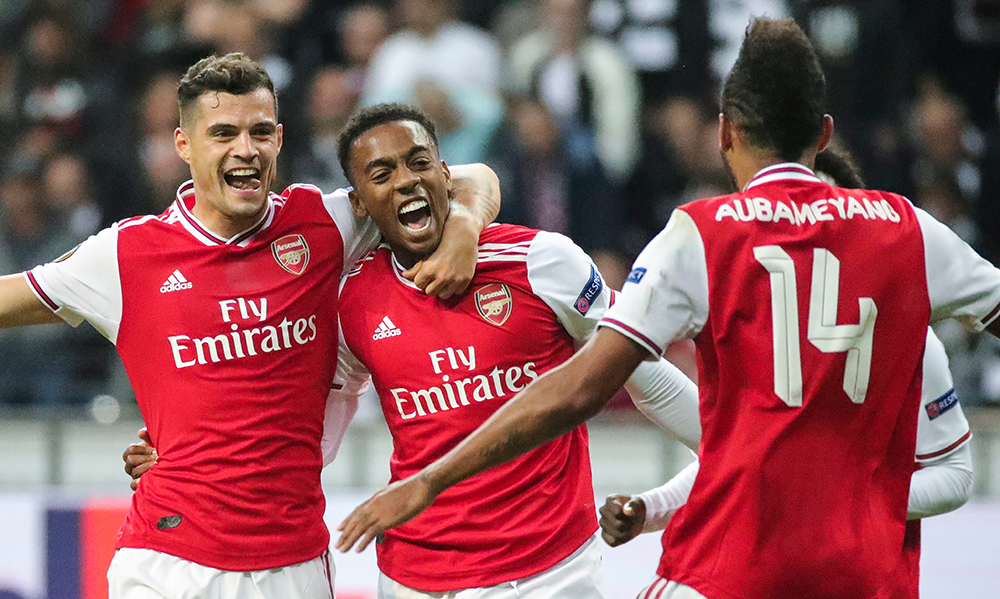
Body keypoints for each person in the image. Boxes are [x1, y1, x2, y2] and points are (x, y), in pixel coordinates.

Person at [335, 18, 1000, 599]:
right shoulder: (906, 230)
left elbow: (598, 381)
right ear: (824, 132)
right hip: (862, 567)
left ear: (724, 133)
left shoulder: (698, 235)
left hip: (718, 563)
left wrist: (431, 480)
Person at [129, 102, 702, 598]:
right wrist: (195, 461)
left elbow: (640, 372)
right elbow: (310, 432)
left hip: (554, 569)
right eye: (382, 173)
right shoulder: (353, 301)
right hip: (418, 577)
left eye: (418, 163)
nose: (405, 181)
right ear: (360, 203)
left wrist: (726, 436)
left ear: (446, 175)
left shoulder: (544, 261)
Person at [0, 53, 499, 599]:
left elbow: (471, 175)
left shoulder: (323, 223)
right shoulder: (126, 254)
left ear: (280, 140)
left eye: (260, 132)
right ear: (184, 145)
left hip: (293, 566)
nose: (246, 149)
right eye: (223, 133)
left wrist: (466, 228)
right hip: (168, 562)